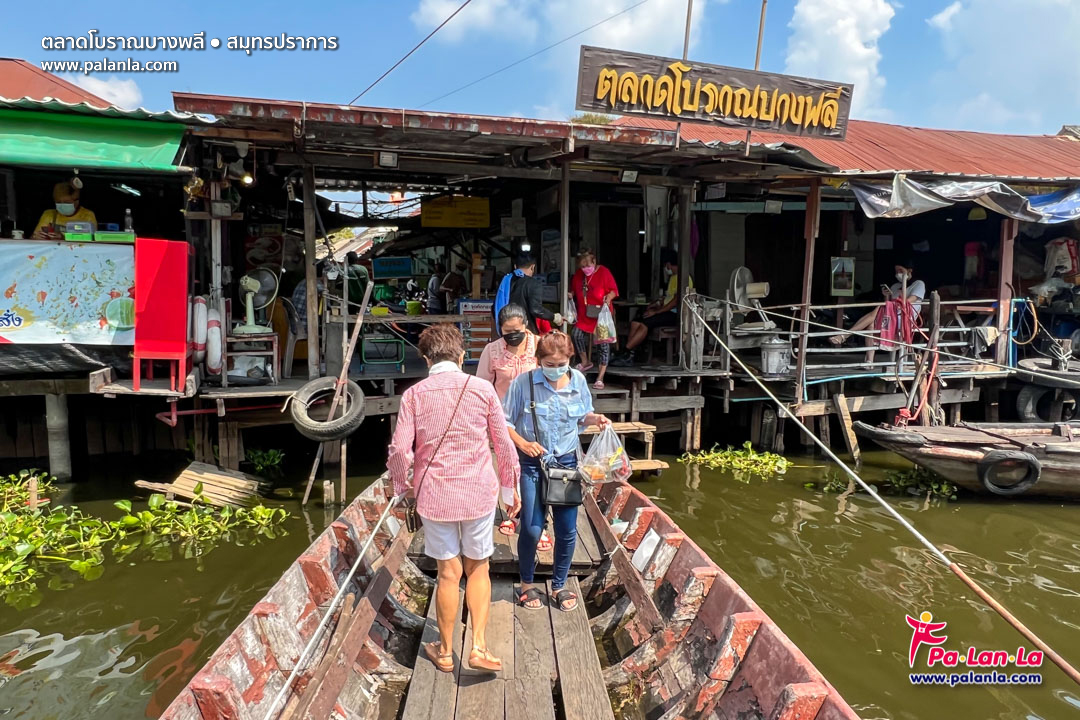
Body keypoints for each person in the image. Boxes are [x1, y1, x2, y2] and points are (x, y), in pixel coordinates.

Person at [388, 324, 519, 674]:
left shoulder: (414, 395)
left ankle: (445, 652)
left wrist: (402, 489)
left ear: (426, 358)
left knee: (448, 573)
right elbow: (503, 444)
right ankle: (478, 647)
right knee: (478, 567)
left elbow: (400, 451)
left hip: (435, 496)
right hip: (478, 494)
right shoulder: (482, 390)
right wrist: (510, 489)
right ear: (462, 356)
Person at [503, 331, 610, 613]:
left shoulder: (578, 382)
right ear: (538, 361)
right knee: (531, 527)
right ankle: (527, 583)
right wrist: (524, 444)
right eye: (548, 364)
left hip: (565, 465)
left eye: (560, 363)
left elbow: (583, 415)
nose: (555, 368)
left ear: (569, 359)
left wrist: (595, 418)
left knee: (566, 529)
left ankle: (559, 584)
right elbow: (503, 423)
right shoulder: (523, 384)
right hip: (532, 464)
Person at [829, 260, 926, 366]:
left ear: (909, 270)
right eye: (896, 271)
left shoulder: (918, 284)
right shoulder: (894, 286)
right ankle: (869, 361)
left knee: (877, 309)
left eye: (900, 270)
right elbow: (888, 304)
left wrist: (899, 293)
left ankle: (845, 335)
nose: (898, 273)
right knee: (871, 323)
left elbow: (908, 301)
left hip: (905, 318)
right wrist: (886, 296)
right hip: (890, 317)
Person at [615, 249, 690, 365]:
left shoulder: (683, 278)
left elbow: (676, 301)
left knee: (646, 323)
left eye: (666, 265)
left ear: (669, 264)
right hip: (665, 310)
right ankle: (630, 355)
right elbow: (668, 298)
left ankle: (626, 351)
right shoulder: (673, 278)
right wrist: (656, 304)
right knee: (636, 321)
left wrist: (657, 312)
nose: (666, 268)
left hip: (675, 314)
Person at [569, 248, 618, 389]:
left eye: (588, 266)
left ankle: (600, 377)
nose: (585, 269)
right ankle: (585, 361)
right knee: (576, 334)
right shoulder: (579, 275)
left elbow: (614, 290)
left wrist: (608, 297)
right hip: (585, 314)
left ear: (594, 262)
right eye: (583, 267)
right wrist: (571, 294)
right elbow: (574, 289)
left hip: (601, 314)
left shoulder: (604, 272)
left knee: (603, 343)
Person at [495, 253, 563, 334]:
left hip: (506, 332)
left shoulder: (505, 282)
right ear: (533, 267)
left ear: (515, 266)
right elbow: (536, 309)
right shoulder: (534, 283)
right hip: (526, 332)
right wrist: (555, 317)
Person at [33, 181, 97, 239]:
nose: (62, 205)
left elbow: (93, 242)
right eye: (58, 202)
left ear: (76, 201)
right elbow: (32, 239)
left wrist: (63, 238)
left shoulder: (87, 215)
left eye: (67, 202)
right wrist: (36, 237)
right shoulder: (49, 215)